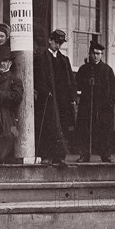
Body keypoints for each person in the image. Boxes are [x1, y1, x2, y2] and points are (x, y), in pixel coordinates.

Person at [34, 29, 77, 165]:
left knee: (62, 127)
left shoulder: (64, 60)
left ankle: (59, 157)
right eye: (56, 42)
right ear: (50, 40)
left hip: (62, 100)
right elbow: (37, 78)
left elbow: (71, 80)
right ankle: (46, 156)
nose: (58, 45)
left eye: (60, 43)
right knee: (48, 125)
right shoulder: (41, 57)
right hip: (47, 98)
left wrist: (73, 97)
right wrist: (44, 91)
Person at [76, 41, 115, 163]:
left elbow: (114, 89)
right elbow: (77, 85)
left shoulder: (107, 70)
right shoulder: (84, 69)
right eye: (94, 53)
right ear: (90, 53)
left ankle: (105, 154)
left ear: (102, 55)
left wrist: (111, 103)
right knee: (85, 129)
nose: (96, 56)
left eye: (99, 54)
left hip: (103, 107)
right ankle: (84, 154)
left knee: (104, 130)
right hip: (87, 105)